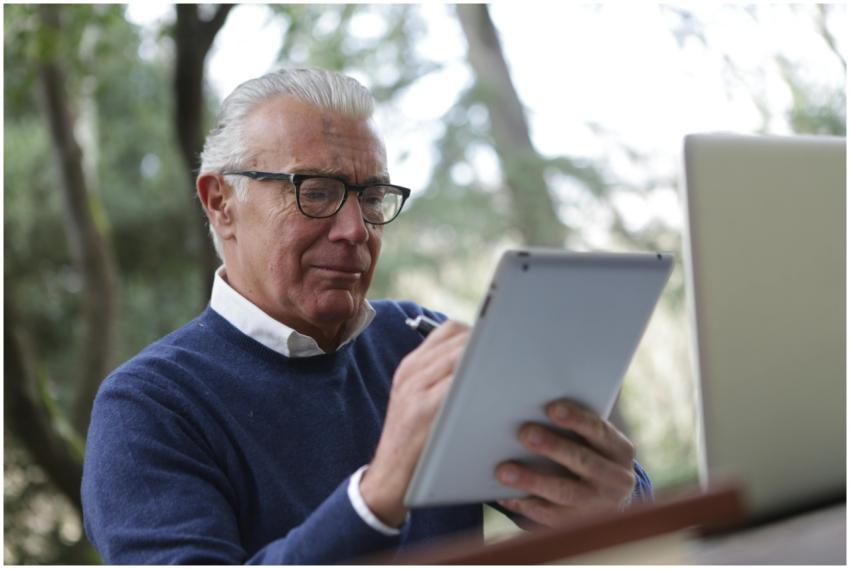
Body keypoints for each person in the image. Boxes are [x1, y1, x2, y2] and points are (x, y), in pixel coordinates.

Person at [81, 68, 652, 564]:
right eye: (318, 191)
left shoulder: (418, 341)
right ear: (221, 202)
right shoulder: (147, 408)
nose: (356, 230)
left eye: (372, 196)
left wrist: (617, 499)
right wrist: (377, 494)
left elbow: (595, 506)